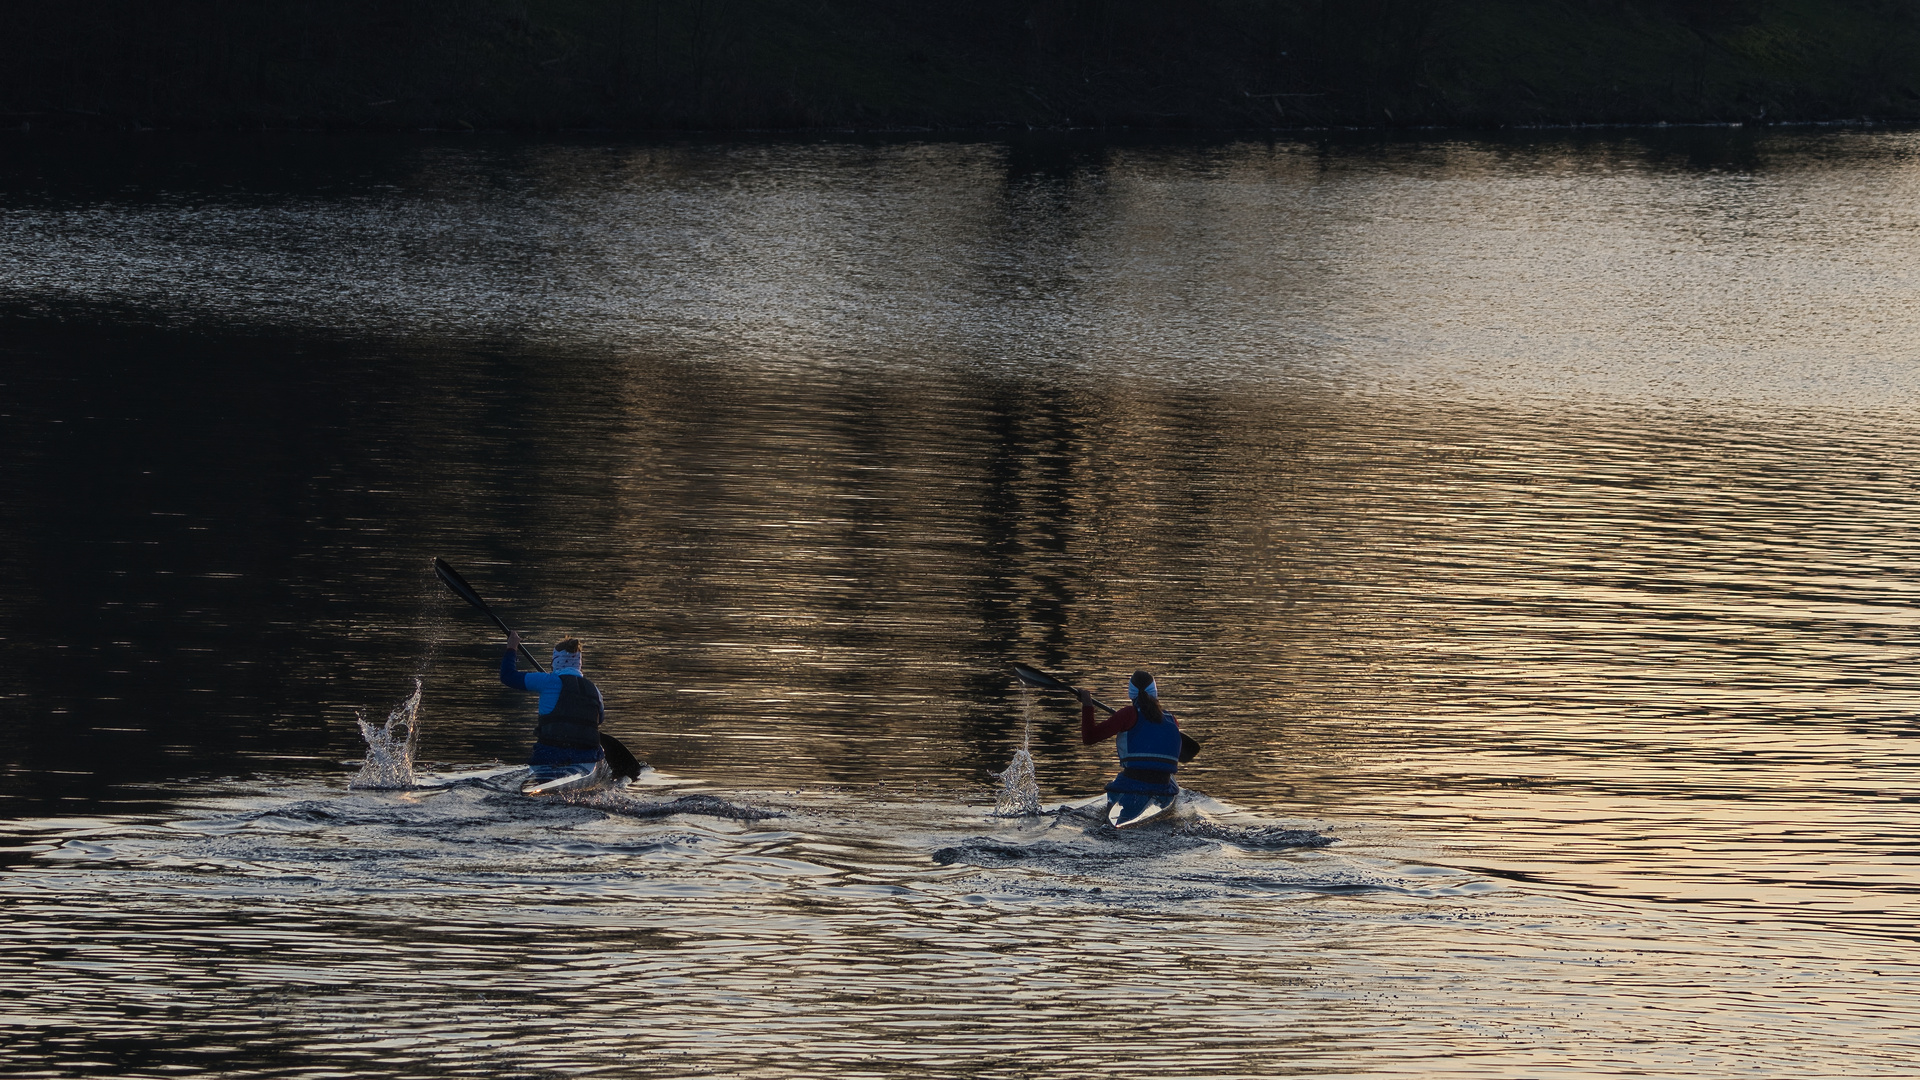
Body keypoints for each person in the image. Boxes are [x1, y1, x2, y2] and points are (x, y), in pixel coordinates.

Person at [501, 629, 606, 786]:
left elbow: (507, 676)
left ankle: (541, 783)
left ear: (555, 661)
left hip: (548, 755)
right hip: (586, 757)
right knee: (600, 751)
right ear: (579, 663)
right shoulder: (594, 690)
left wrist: (512, 647)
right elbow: (599, 720)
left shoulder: (546, 681)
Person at [1078, 670, 1183, 805]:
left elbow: (1089, 737)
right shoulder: (1172, 719)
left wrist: (1087, 705)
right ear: (1155, 692)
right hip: (1164, 787)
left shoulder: (1127, 715)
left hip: (1130, 784)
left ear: (1130, 693)